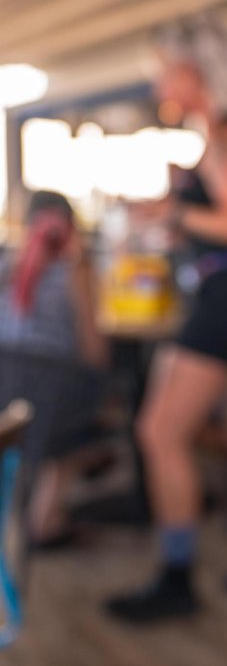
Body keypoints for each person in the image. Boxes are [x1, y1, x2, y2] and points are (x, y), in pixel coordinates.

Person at [105, 15, 227, 622]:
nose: (159, 84)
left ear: (192, 72)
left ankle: (177, 577)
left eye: (164, 71)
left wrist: (176, 217)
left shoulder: (223, 135)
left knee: (159, 432)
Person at [0, 191, 108, 548]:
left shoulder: (7, 263)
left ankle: (32, 515)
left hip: (5, 377)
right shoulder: (74, 268)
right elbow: (93, 347)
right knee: (95, 421)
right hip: (52, 382)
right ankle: (45, 520)